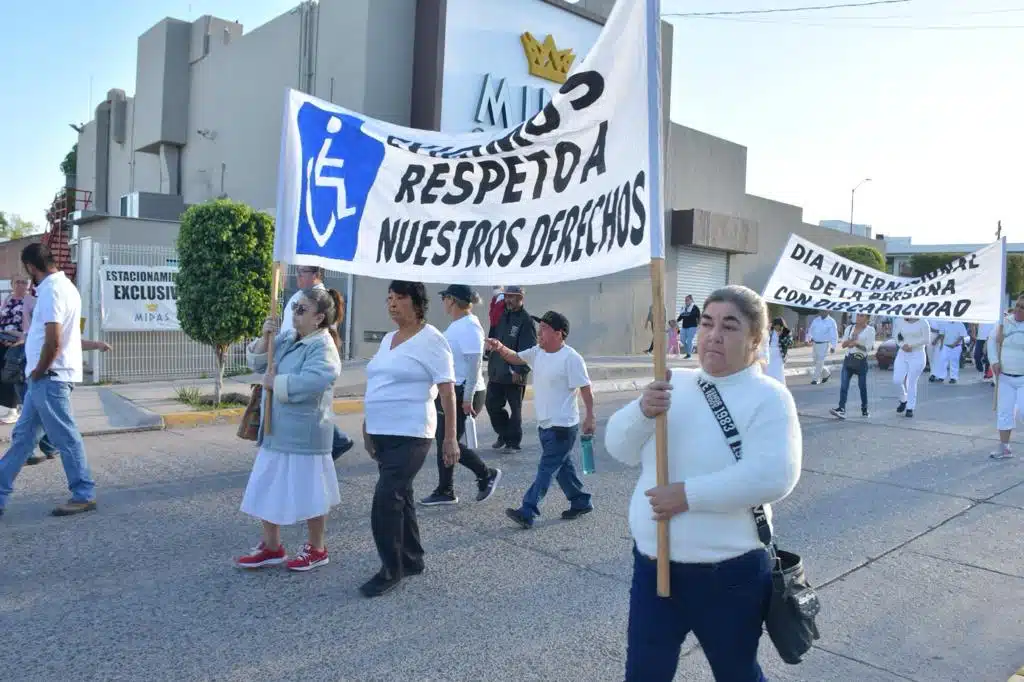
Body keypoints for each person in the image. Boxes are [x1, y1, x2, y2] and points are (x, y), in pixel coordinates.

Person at [605, 285, 802, 682]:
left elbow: (774, 475)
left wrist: (686, 496)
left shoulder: (769, 398)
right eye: (708, 322)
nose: (713, 334)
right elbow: (618, 447)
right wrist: (643, 410)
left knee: (736, 673)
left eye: (730, 326)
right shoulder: (673, 381)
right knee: (643, 673)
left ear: (755, 340)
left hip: (729, 577)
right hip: (654, 568)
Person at [361, 280, 459, 597]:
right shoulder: (389, 338)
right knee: (401, 494)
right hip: (382, 431)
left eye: (399, 298)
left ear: (417, 303)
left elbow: (447, 392)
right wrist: (367, 425)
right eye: (388, 297)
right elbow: (378, 383)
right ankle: (412, 558)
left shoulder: (433, 340)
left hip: (412, 432)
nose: (391, 303)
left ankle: (391, 569)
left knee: (386, 499)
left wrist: (450, 439)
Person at [235, 287, 344, 572]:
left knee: (311, 492)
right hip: (277, 430)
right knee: (266, 485)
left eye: (301, 310)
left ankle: (317, 548)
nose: (294, 314)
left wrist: (277, 383)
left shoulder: (323, 346)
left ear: (319, 318)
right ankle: (272, 547)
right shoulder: (288, 338)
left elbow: (318, 379)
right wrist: (264, 337)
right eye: (294, 308)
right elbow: (258, 362)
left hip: (305, 432)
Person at [0, 244, 96, 519]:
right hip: (44, 378)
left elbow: (54, 340)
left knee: (65, 436)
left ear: (31, 267)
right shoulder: (62, 287)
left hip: (49, 378)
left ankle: (84, 493)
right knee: (23, 439)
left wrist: (40, 370)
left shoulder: (53, 291)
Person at [487, 311, 595, 529]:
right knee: (562, 468)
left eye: (544, 328)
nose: (539, 332)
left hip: (563, 426)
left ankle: (528, 510)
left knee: (546, 469)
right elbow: (516, 357)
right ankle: (580, 501)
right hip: (544, 424)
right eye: (540, 327)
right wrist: (499, 347)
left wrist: (590, 417)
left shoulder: (571, 358)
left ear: (559, 333)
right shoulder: (538, 352)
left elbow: (585, 388)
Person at [420, 284, 502, 506]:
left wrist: (466, 398)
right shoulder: (459, 325)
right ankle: (446, 489)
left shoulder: (470, 327)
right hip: (455, 389)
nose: (443, 302)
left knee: (448, 440)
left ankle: (485, 474)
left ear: (452, 300)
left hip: (465, 391)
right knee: (444, 439)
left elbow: (475, 366)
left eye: (445, 297)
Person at [280, 265, 353, 461]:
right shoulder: (302, 296)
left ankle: (337, 439)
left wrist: (277, 384)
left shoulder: (318, 299)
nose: (298, 276)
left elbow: (311, 381)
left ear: (316, 274)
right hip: (295, 349)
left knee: (310, 405)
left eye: (302, 272)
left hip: (305, 352)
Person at [485, 285, 535, 452]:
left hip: (514, 373)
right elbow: (494, 337)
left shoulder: (526, 321)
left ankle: (513, 442)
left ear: (521, 298)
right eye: (506, 296)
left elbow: (528, 350)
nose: (508, 300)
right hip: (497, 371)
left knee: (515, 410)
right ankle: (503, 433)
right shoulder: (501, 315)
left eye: (512, 297)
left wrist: (519, 371)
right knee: (492, 405)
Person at [988, 295, 1024, 459]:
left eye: (1022, 307)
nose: (1018, 309)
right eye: (1017, 305)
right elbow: (991, 342)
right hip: (1004, 377)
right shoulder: (1003, 323)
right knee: (1004, 412)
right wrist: (994, 361)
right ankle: (1004, 447)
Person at [830, 313, 876, 419]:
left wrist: (857, 344)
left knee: (862, 387)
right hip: (848, 360)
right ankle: (841, 409)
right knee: (844, 386)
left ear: (867, 318)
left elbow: (869, 348)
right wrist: (851, 341)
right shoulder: (850, 328)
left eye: (862, 315)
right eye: (858, 314)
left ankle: (864, 409)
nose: (859, 317)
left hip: (861, 361)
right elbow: (843, 345)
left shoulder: (870, 330)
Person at [0, 274, 30, 424]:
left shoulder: (30, 301)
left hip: (19, 342)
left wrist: (19, 340)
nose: (21, 285)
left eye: (24, 282)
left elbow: (29, 326)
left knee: (15, 375)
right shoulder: (7, 299)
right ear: (12, 284)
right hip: (3, 339)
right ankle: (10, 408)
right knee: (4, 373)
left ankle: (15, 410)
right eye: (17, 282)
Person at [892, 315, 930, 418]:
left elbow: (926, 340)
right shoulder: (899, 321)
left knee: (911, 381)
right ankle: (904, 399)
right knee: (897, 380)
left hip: (917, 354)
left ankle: (910, 408)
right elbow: (896, 335)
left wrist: (911, 345)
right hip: (903, 352)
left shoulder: (923, 322)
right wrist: (902, 345)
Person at [805, 310, 838, 384]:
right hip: (815, 343)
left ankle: (815, 379)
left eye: (824, 311)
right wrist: (807, 339)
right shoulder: (816, 320)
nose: (822, 312)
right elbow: (811, 330)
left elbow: (834, 335)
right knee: (815, 362)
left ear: (828, 311)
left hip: (824, 344)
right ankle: (826, 374)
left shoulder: (831, 321)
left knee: (820, 362)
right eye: (821, 311)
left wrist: (833, 346)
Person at [933, 320, 968, 384]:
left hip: (956, 346)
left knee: (954, 362)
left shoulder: (960, 324)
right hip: (945, 346)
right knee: (943, 361)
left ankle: (953, 378)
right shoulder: (944, 323)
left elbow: (962, 336)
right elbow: (942, 334)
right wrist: (941, 345)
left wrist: (954, 344)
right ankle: (941, 377)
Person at [763, 316, 793, 384]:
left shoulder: (786, 331)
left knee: (778, 370)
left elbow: (790, 343)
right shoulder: (770, 330)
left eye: (778, 325)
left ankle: (780, 384)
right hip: (770, 352)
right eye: (775, 325)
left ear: (781, 325)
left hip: (779, 354)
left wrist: (781, 337)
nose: (776, 327)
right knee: (769, 369)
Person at [676, 294, 700, 359]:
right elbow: (681, 316)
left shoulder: (695, 308)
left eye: (687, 300)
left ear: (691, 300)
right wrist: (677, 321)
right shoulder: (684, 308)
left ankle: (688, 354)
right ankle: (690, 350)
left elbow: (697, 316)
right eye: (685, 300)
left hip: (692, 326)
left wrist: (699, 326)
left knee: (689, 340)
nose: (686, 301)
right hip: (684, 326)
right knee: (682, 340)